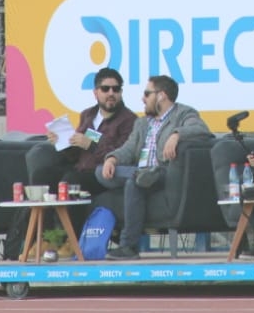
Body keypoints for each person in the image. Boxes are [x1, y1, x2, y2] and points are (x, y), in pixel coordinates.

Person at [100, 74, 212, 259]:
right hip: (141, 171)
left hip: (163, 173)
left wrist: (177, 134)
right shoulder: (143, 122)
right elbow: (128, 149)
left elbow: (202, 130)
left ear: (161, 95)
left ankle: (129, 247)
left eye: (147, 93)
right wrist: (112, 159)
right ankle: (138, 174)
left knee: (134, 182)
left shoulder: (183, 113)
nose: (143, 99)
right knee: (101, 172)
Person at [41, 67, 137, 196]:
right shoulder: (88, 115)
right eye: (105, 89)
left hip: (102, 174)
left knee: (71, 180)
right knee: (43, 175)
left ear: (121, 92)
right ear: (95, 92)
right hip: (80, 168)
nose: (111, 93)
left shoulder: (129, 120)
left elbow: (123, 154)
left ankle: (65, 216)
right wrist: (61, 141)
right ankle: (37, 215)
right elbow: (74, 155)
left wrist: (91, 145)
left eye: (116, 89)